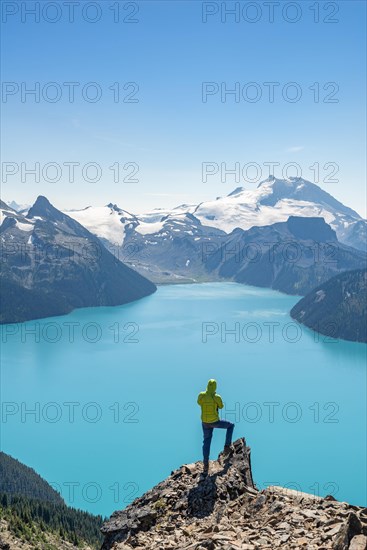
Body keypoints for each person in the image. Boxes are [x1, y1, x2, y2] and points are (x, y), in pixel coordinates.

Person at [197, 379, 234, 475]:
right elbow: (221, 406)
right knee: (231, 425)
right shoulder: (216, 397)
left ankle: (205, 464)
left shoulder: (201, 395)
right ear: (215, 387)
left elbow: (198, 402)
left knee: (206, 442)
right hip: (214, 421)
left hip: (205, 422)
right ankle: (227, 446)